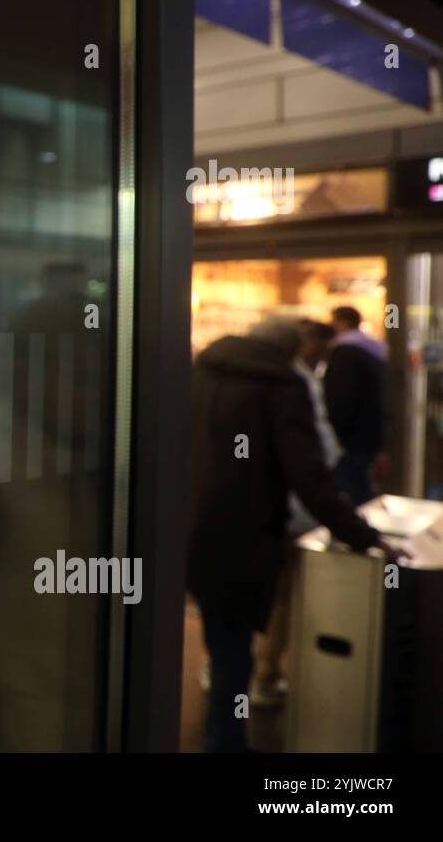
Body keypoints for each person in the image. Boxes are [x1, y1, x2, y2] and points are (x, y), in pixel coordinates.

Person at [190, 316, 391, 752]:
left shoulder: (201, 371)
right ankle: (225, 741)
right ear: (292, 351)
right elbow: (308, 475)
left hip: (196, 527)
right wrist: (360, 533)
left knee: (221, 642)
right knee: (234, 652)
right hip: (248, 533)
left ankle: (219, 735)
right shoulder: (282, 386)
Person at [252, 319, 339, 708]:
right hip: (286, 511)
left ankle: (236, 675)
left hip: (236, 514)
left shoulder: (214, 376)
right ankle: (265, 674)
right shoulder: (293, 384)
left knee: (241, 600)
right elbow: (313, 455)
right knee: (282, 596)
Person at [324, 306, 387, 507]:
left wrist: (337, 432)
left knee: (352, 488)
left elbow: (342, 398)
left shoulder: (345, 354)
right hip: (370, 430)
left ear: (341, 322)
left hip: (352, 436)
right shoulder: (374, 349)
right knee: (360, 483)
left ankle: (362, 532)